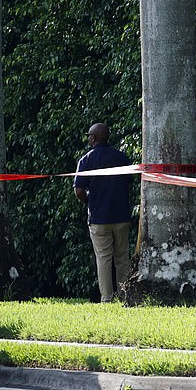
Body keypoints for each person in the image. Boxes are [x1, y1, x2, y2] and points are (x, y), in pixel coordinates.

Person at [74, 123, 132, 303]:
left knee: (104, 259)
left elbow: (79, 190)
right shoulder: (122, 157)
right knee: (123, 257)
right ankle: (125, 296)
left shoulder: (86, 160)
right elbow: (129, 183)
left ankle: (107, 298)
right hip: (121, 215)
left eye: (89, 136)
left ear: (94, 138)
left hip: (99, 218)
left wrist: (90, 202)